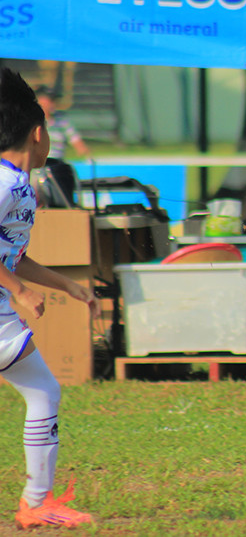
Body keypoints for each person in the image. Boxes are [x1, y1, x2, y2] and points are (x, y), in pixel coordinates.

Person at [0, 68, 97, 528]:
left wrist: (66, 285)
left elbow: (12, 257)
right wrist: (19, 292)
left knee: (43, 391)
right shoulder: (6, 184)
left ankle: (37, 502)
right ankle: (36, 503)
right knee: (43, 391)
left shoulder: (16, 184)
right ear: (39, 134)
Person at [34, 87, 90, 161]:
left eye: (54, 100)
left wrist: (86, 155)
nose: (53, 104)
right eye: (50, 100)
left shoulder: (62, 121)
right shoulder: (30, 122)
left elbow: (78, 143)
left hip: (56, 163)